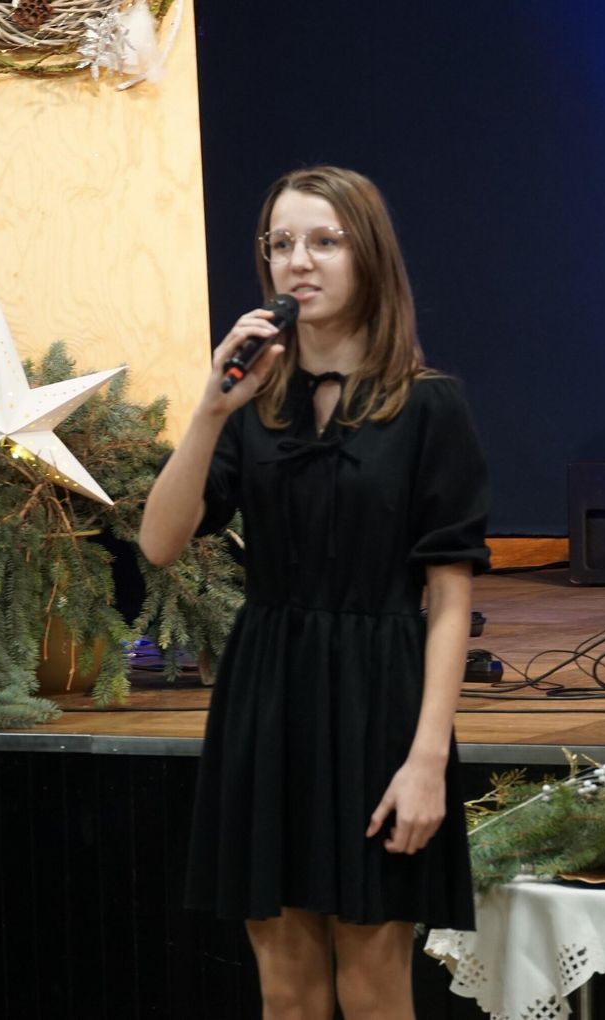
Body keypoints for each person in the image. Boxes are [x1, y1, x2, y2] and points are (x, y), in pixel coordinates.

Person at [139, 166, 489, 1020]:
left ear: (368, 256)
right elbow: (159, 543)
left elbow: (449, 600)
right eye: (282, 243)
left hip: (382, 700)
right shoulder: (253, 406)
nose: (299, 261)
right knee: (288, 994)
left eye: (325, 241)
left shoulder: (430, 407)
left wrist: (428, 762)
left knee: (373, 989)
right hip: (267, 698)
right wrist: (210, 410)